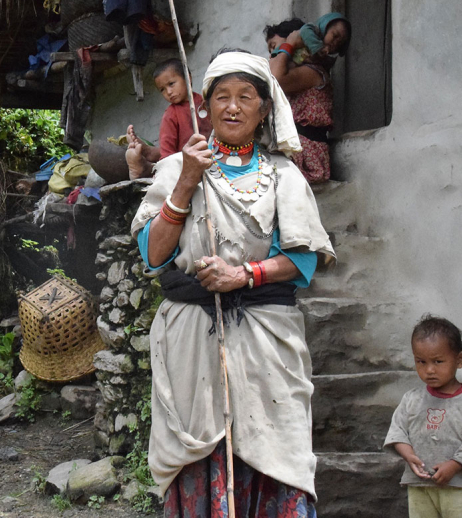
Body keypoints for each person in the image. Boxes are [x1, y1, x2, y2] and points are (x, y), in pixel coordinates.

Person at [131, 48, 335, 517]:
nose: (232, 107)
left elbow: (302, 261)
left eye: (246, 96)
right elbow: (153, 254)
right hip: (192, 340)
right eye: (221, 96)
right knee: (198, 457)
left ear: (265, 109)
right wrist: (186, 182)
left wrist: (243, 274)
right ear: (205, 107)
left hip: (267, 343)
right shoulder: (174, 170)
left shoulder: (283, 176)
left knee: (275, 454)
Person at [384, 315, 462, 518]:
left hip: (457, 485)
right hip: (419, 485)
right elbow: (398, 431)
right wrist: (408, 455)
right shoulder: (411, 399)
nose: (429, 370)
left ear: (459, 360)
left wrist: (454, 465)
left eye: (438, 361)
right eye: (421, 362)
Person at [268, 13, 351, 183]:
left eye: (276, 46)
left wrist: (289, 43)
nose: (274, 54)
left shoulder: (313, 73)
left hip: (305, 152)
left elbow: (274, 78)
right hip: (295, 146)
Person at [125, 58, 212, 179]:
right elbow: (167, 152)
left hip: (214, 157)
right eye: (162, 89)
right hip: (185, 164)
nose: (169, 92)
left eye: (171, 84)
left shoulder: (206, 103)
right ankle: (147, 165)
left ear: (188, 78)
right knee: (170, 162)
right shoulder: (171, 115)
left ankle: (149, 154)